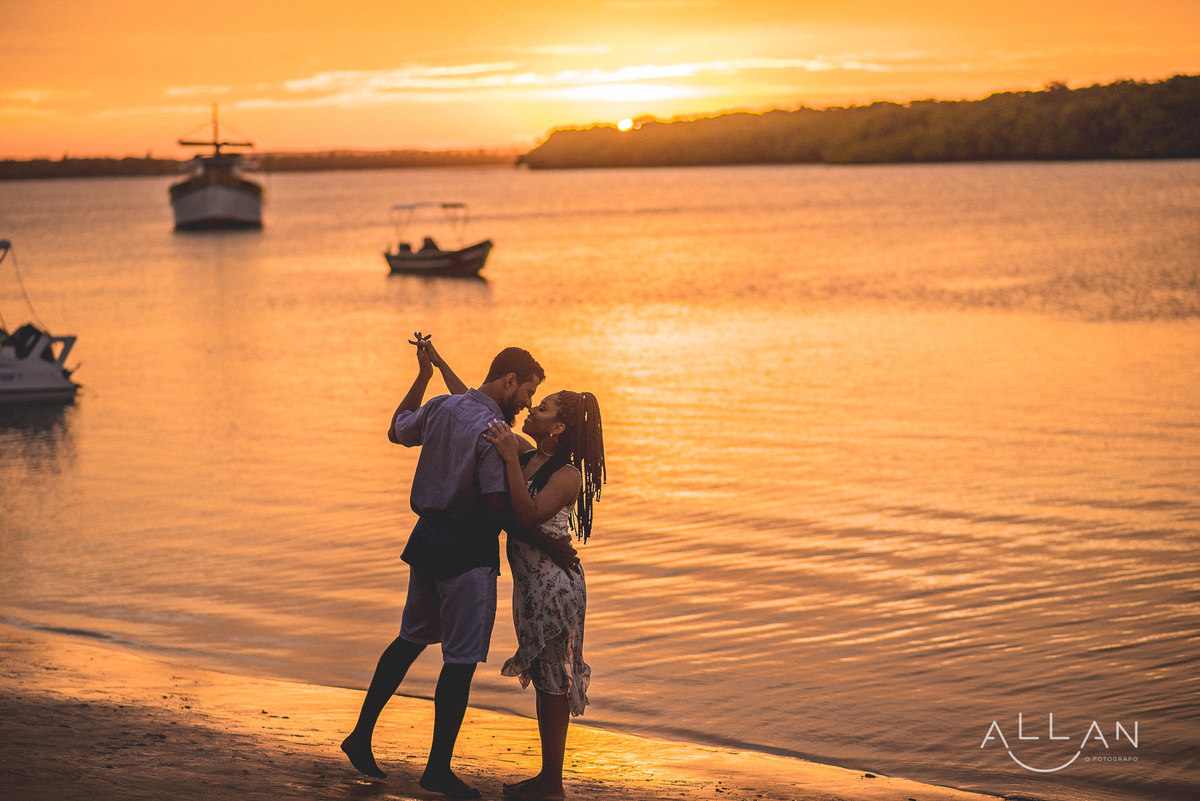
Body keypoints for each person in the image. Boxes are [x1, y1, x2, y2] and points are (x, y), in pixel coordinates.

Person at [341, 338, 576, 799]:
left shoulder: (441, 406)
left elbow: (396, 428)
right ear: (511, 381)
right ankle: (437, 770)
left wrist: (424, 376)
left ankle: (361, 734)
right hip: (467, 552)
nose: (528, 402)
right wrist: (546, 539)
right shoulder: (494, 432)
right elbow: (498, 507)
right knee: (461, 661)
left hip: (426, 540)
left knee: (409, 639)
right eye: (528, 392)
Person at [484, 390, 605, 801]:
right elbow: (476, 399)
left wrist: (506, 458)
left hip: (555, 588)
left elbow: (527, 514)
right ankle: (546, 777)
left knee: (553, 680)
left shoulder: (565, 473)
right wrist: (436, 361)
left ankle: (552, 783)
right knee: (544, 678)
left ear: (557, 428)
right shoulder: (527, 454)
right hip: (532, 585)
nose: (532, 408)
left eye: (545, 407)